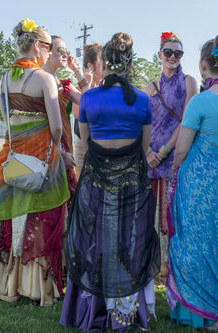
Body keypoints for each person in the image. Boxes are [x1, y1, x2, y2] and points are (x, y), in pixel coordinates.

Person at [60, 32, 160, 331]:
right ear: (129, 65)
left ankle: (94, 311)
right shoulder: (142, 100)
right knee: (128, 245)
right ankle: (125, 313)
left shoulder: (89, 98)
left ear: (102, 63)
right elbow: (143, 149)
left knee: (96, 244)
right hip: (131, 185)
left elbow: (87, 141)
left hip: (97, 184)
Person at [0, 18, 70, 306]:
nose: (50, 51)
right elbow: (58, 127)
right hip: (42, 157)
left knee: (11, 212)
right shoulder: (44, 79)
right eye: (48, 45)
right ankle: (36, 285)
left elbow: (6, 120)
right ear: (37, 46)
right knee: (44, 214)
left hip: (12, 158)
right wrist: (58, 150)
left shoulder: (5, 79)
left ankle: (4, 279)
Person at [167, 33, 218, 330]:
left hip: (200, 183)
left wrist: (175, 173)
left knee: (196, 242)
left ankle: (202, 310)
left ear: (203, 65)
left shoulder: (201, 101)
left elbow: (181, 149)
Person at [144, 32, 197, 285]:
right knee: (151, 218)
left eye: (178, 52)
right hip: (151, 160)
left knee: (173, 217)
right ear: (160, 55)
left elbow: (188, 121)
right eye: (168, 52)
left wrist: (164, 151)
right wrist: (148, 153)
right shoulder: (150, 88)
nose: (173, 57)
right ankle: (154, 269)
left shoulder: (189, 83)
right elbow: (142, 125)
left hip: (176, 158)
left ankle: (173, 270)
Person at [43, 35, 89, 204]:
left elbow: (87, 103)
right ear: (47, 51)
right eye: (60, 50)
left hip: (66, 148)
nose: (64, 54)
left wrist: (78, 72)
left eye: (66, 51)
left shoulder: (65, 86)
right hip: (43, 148)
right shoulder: (37, 80)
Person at [72, 43, 102, 179]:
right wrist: (86, 86)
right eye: (102, 61)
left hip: (101, 143)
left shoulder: (108, 85)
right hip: (82, 145)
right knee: (81, 186)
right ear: (91, 65)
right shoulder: (80, 85)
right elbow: (77, 113)